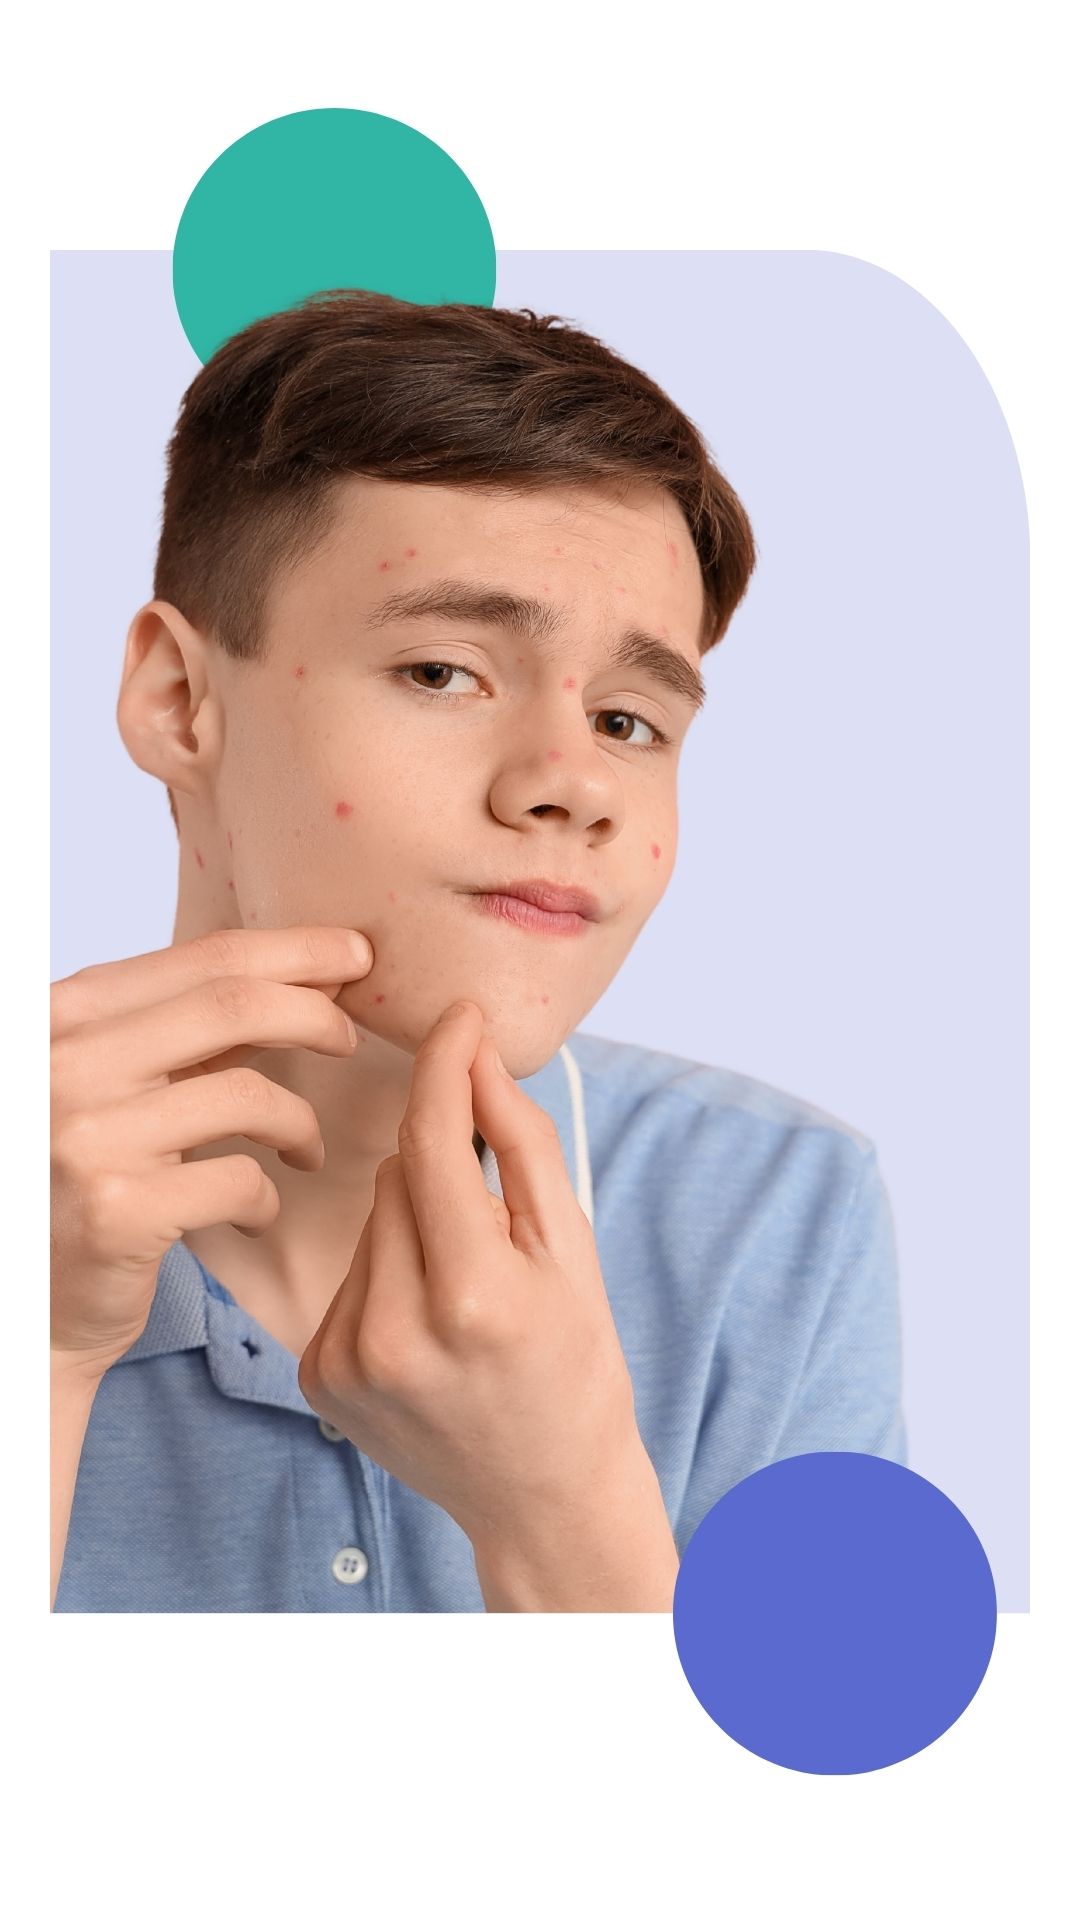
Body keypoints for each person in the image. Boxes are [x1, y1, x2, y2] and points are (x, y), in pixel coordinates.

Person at [50, 289, 906, 1613]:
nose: (573, 784)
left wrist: (564, 1513)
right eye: (444, 673)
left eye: (629, 720)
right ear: (179, 702)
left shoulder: (778, 1216)